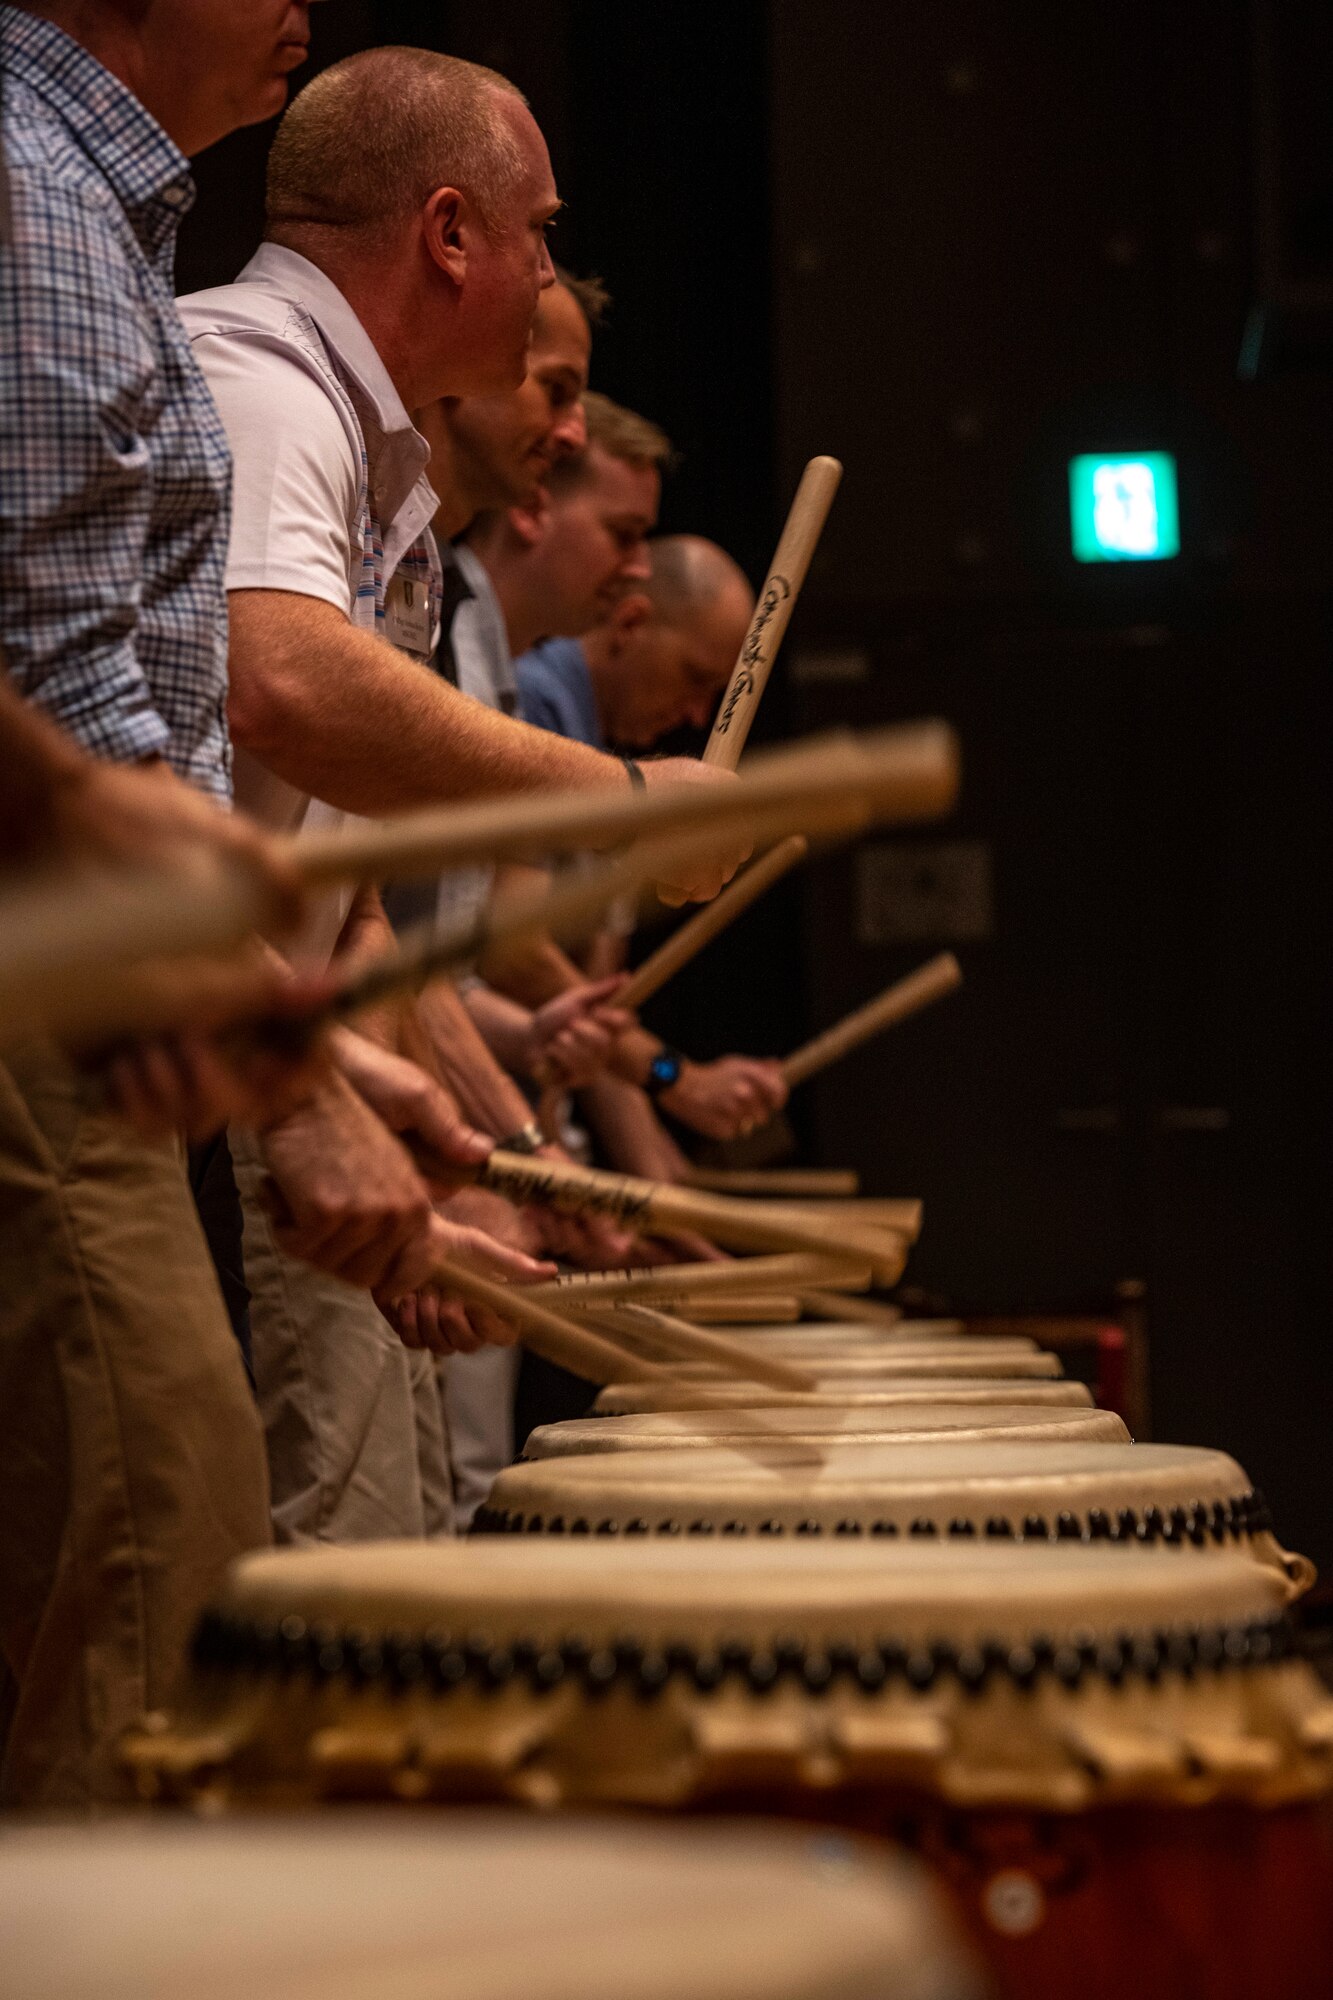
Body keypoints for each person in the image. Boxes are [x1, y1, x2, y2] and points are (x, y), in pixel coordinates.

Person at [177, 50, 747, 1547]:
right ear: (448, 234)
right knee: (202, 1584)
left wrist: (467, 1143)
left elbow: (346, 883)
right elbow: (281, 688)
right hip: (160, 1050)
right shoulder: (262, 384)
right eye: (539, 233)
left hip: (264, 1050)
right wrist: (629, 799)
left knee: (380, 1558)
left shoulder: (373, 469)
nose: (551, 270)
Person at [0, 0, 329, 1811]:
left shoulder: (73, 198)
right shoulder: (35, 190)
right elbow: (56, 666)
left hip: (90, 961)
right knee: (163, 1612)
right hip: (57, 992)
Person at [471, 400, 790, 1146]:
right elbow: (508, 949)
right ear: (632, 627)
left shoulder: (601, 751)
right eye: (693, 678)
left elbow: (597, 996)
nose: (693, 714)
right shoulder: (537, 700)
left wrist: (652, 1187)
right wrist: (675, 1079)